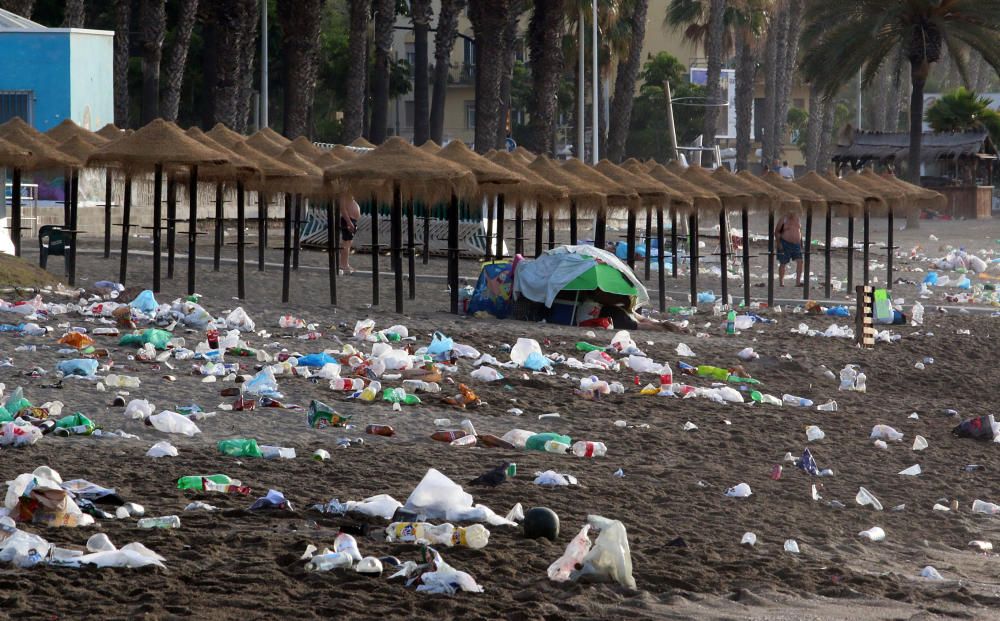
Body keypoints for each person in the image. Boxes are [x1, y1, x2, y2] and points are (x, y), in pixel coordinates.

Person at [774, 211, 803, 287]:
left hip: (796, 244)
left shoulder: (798, 218)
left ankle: (798, 282)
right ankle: (781, 282)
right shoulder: (784, 218)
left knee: (800, 261)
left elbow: (799, 231)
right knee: (783, 263)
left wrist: (801, 243)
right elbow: (777, 231)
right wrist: (779, 243)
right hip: (785, 243)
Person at [339, 197, 361, 274]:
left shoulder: (349, 193)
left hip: (352, 220)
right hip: (349, 220)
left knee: (348, 243)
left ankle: (345, 264)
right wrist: (349, 222)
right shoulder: (344, 194)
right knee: (346, 243)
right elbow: (343, 208)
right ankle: (343, 265)